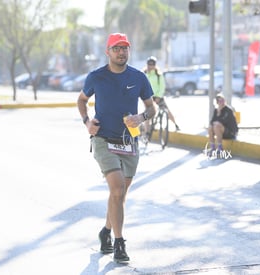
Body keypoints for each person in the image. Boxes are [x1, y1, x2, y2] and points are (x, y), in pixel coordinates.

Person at [76, 33, 155, 263]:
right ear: (107, 52)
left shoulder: (139, 77)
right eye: (116, 48)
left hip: (129, 141)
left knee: (119, 194)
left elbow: (151, 108)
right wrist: (87, 122)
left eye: (125, 48)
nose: (121, 52)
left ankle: (106, 231)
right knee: (118, 189)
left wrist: (141, 117)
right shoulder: (96, 77)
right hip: (103, 139)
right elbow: (81, 100)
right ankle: (119, 244)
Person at [143, 56, 180, 131]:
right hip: (148, 97)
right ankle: (147, 132)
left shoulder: (158, 74)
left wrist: (158, 97)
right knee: (147, 114)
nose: (150, 66)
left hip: (158, 96)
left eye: (152, 64)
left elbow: (162, 86)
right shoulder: (144, 74)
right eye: (149, 64)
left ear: (155, 65)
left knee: (167, 110)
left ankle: (176, 125)